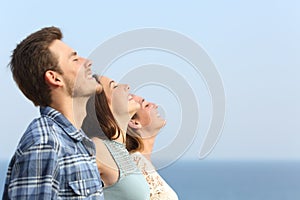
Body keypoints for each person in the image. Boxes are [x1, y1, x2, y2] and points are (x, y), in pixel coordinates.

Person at [3, 26, 104, 199]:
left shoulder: (75, 142)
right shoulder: (45, 142)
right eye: (74, 59)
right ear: (54, 78)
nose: (87, 61)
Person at [83, 76, 150, 200]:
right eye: (114, 86)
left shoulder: (120, 150)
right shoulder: (97, 147)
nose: (127, 86)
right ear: (102, 105)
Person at [126, 95, 179, 200]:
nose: (155, 105)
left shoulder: (142, 163)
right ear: (135, 122)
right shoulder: (136, 163)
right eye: (146, 105)